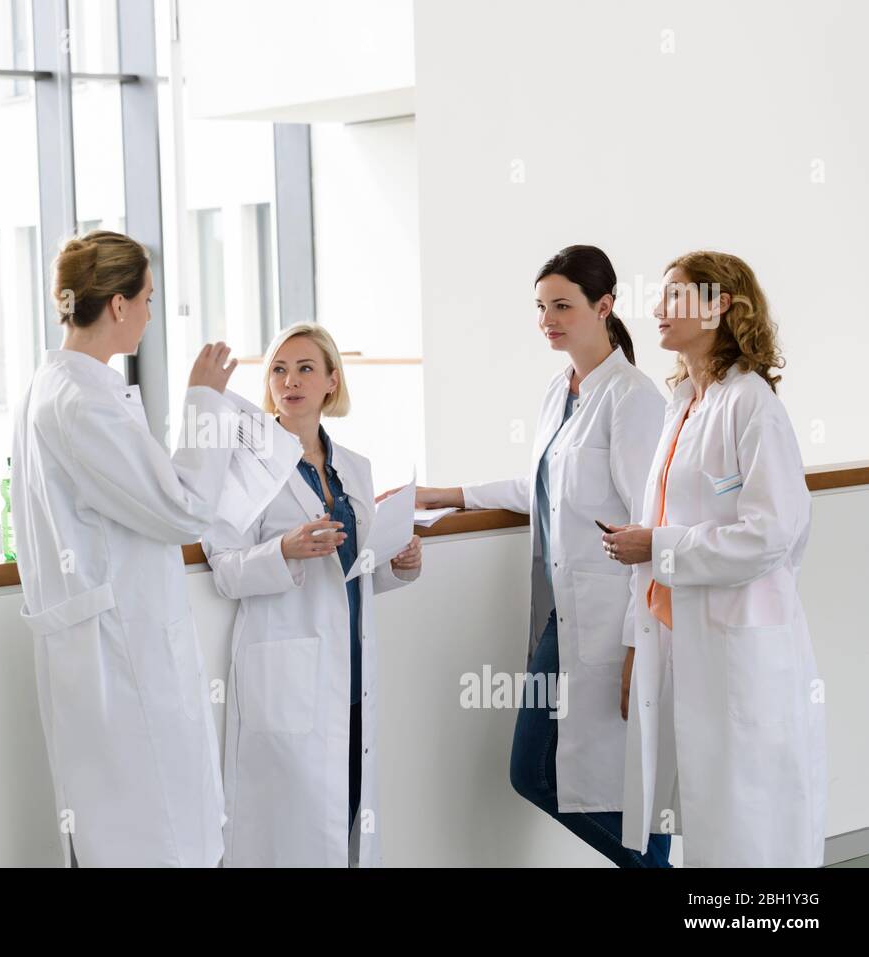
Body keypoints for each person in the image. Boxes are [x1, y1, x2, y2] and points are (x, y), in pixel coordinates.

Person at [412, 246, 670, 866]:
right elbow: (544, 488)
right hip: (565, 613)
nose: (548, 320)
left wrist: (641, 640)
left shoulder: (632, 399)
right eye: (540, 307)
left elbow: (651, 528)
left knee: (579, 776)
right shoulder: (562, 390)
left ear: (604, 306)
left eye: (562, 305)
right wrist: (446, 494)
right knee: (552, 773)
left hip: (614, 618)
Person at [11, 230, 239, 867]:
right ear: (116, 305)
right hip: (123, 656)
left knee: (132, 837)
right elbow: (183, 508)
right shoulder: (84, 402)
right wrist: (203, 402)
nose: (147, 313)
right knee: (158, 840)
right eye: (145, 299)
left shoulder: (57, 388)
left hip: (105, 649)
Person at [605, 251, 826, 867]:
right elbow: (664, 521)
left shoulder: (750, 403)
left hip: (739, 645)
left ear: (719, 305)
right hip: (682, 635)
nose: (657, 308)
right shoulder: (684, 404)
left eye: (674, 296)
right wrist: (633, 635)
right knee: (707, 811)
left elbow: (771, 533)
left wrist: (659, 547)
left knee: (749, 812)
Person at [202, 322, 422, 867]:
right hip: (285, 672)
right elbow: (225, 567)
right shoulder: (241, 465)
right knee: (288, 834)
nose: (290, 381)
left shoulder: (356, 467)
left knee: (345, 819)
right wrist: (283, 551)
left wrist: (399, 564)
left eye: (305, 369)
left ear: (330, 382)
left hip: (350, 674)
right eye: (278, 369)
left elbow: (357, 571)